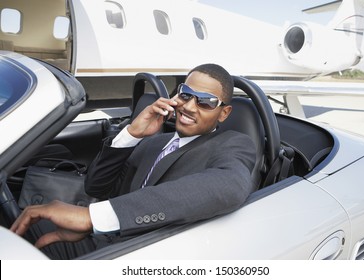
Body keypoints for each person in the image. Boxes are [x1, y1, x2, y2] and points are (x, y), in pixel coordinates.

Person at [10, 63, 256, 259]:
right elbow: (96, 188)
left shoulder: (231, 145)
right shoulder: (153, 142)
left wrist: (92, 218)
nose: (190, 107)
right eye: (186, 94)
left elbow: (230, 186)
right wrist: (130, 135)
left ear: (224, 113)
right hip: (104, 238)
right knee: (18, 230)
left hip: (142, 253)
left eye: (205, 101)